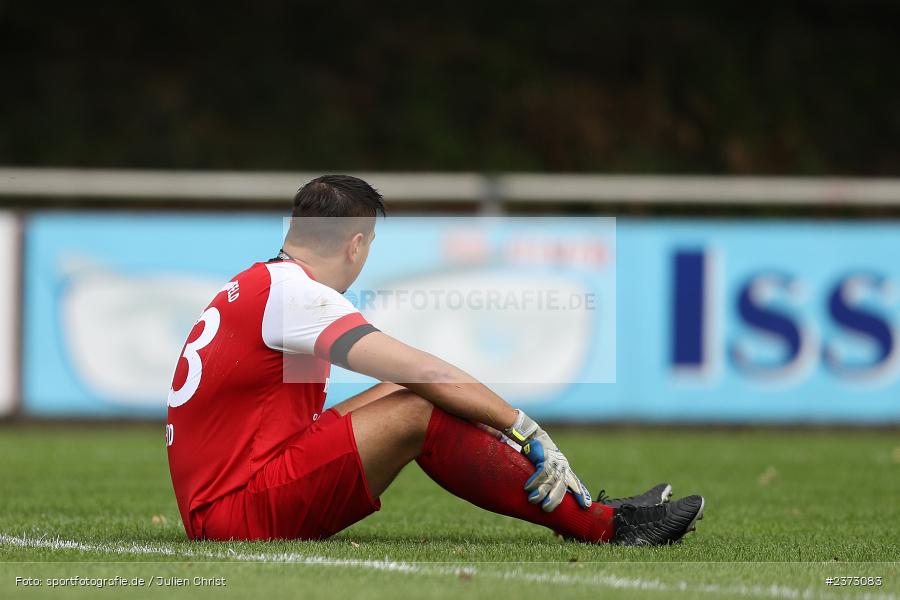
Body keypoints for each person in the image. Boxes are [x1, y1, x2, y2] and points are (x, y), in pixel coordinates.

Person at [166, 175, 704, 546]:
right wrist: (522, 425)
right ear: (356, 245)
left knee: (417, 396)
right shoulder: (297, 295)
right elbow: (424, 371)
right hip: (236, 514)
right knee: (422, 404)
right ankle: (605, 527)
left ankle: (592, 510)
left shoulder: (262, 283)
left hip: (230, 497)